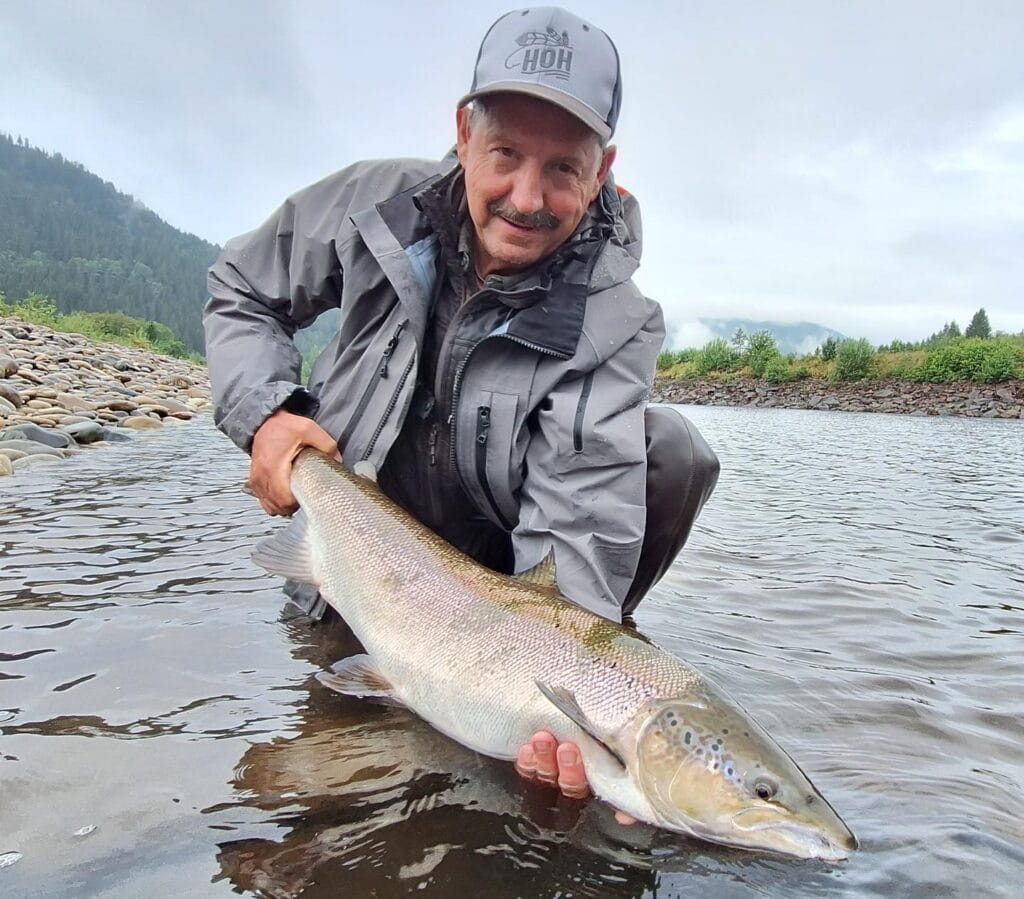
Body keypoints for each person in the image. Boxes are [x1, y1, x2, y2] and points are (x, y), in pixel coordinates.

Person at [204, 7, 718, 811]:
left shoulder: (615, 322)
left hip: (504, 555)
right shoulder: (374, 205)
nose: (527, 197)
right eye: (506, 154)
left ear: (604, 169)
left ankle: (489, 687)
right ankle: (351, 611)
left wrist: (571, 705)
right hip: (364, 506)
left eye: (562, 170)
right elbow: (240, 288)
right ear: (464, 133)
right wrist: (270, 415)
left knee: (673, 451)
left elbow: (578, 531)